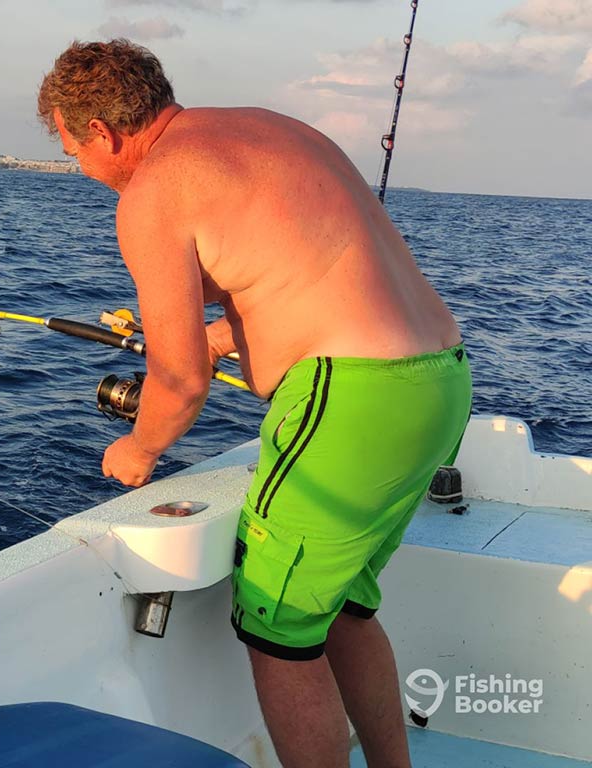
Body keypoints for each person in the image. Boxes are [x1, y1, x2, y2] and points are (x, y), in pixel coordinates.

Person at [37, 39, 472, 768]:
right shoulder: (271, 129)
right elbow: (298, 273)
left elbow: (177, 384)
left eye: (73, 151)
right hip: (440, 381)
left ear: (102, 134)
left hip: (352, 400)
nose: (81, 168)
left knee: (279, 630)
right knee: (341, 610)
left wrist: (139, 448)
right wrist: (217, 337)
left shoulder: (154, 191)